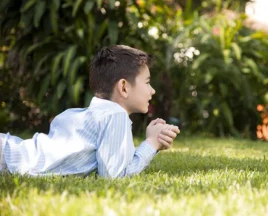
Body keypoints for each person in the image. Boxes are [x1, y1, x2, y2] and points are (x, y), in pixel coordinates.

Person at [0, 45, 180, 178]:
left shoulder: (78, 114)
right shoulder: (115, 115)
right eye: (147, 82)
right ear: (124, 87)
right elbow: (114, 176)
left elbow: (116, 157)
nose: (152, 90)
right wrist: (151, 144)